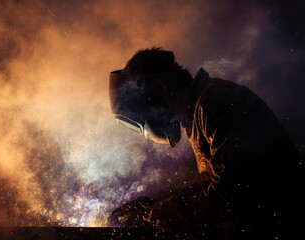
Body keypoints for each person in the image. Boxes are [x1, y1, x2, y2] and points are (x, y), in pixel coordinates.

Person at [107, 47, 305, 239]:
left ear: (155, 89)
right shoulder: (200, 108)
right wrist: (154, 204)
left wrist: (163, 212)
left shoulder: (217, 104)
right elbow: (213, 180)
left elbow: (231, 193)